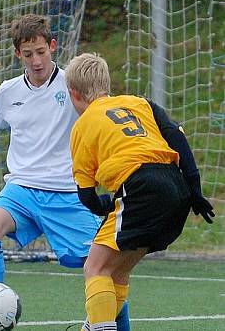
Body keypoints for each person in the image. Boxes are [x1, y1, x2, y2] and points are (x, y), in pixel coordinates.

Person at [0, 14, 130, 329]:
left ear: (52, 47)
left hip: (69, 194)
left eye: (41, 52)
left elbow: (103, 112)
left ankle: (118, 325)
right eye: (28, 55)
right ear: (18, 54)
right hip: (22, 190)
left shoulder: (73, 85)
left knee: (102, 267)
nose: (36, 61)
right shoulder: (9, 91)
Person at [65, 53, 215, 331]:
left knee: (94, 268)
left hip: (141, 186)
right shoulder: (140, 103)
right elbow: (178, 138)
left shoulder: (82, 127)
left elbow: (86, 194)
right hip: (176, 189)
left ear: (74, 94)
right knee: (116, 271)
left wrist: (106, 207)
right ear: (106, 85)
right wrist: (194, 190)